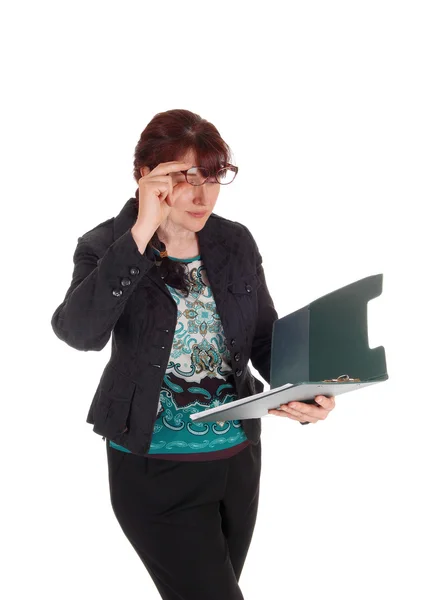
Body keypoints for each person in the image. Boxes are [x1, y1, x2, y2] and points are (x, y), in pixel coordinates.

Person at [51, 108, 336, 600]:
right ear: (144, 176)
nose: (201, 194)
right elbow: (78, 332)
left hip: (237, 462)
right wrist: (140, 232)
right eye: (182, 179)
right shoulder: (105, 245)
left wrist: (311, 389)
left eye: (212, 177)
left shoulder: (235, 242)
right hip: (154, 471)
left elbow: (264, 340)